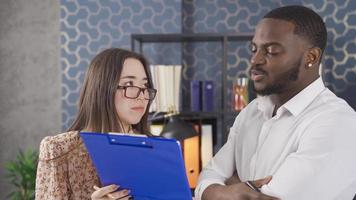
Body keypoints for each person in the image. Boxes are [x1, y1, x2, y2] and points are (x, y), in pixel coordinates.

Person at [195, 5, 356, 200]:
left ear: (310, 57)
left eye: (271, 51)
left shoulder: (338, 122)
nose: (255, 60)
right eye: (254, 49)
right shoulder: (251, 111)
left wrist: (232, 186)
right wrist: (225, 192)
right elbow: (208, 177)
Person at [35, 48, 157, 200]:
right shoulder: (59, 149)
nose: (142, 95)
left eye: (145, 86)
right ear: (102, 89)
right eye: (129, 84)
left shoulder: (156, 149)